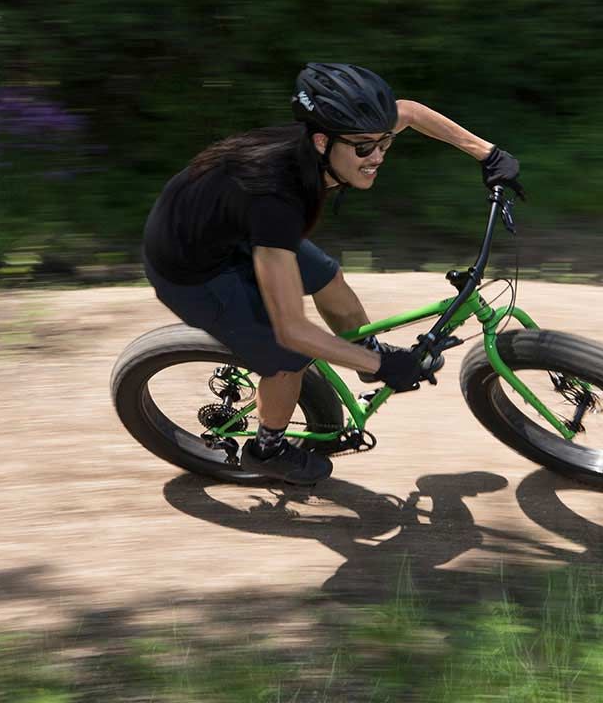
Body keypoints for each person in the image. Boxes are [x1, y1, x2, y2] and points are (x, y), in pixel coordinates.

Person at [141, 63, 523, 485]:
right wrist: (383, 366)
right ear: (323, 141)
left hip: (228, 226)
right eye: (363, 148)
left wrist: (488, 154)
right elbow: (292, 330)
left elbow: (409, 112)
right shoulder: (277, 198)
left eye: (383, 143)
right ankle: (267, 448)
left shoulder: (337, 136)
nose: (377, 156)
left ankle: (362, 348)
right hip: (191, 266)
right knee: (290, 356)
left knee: (329, 280)